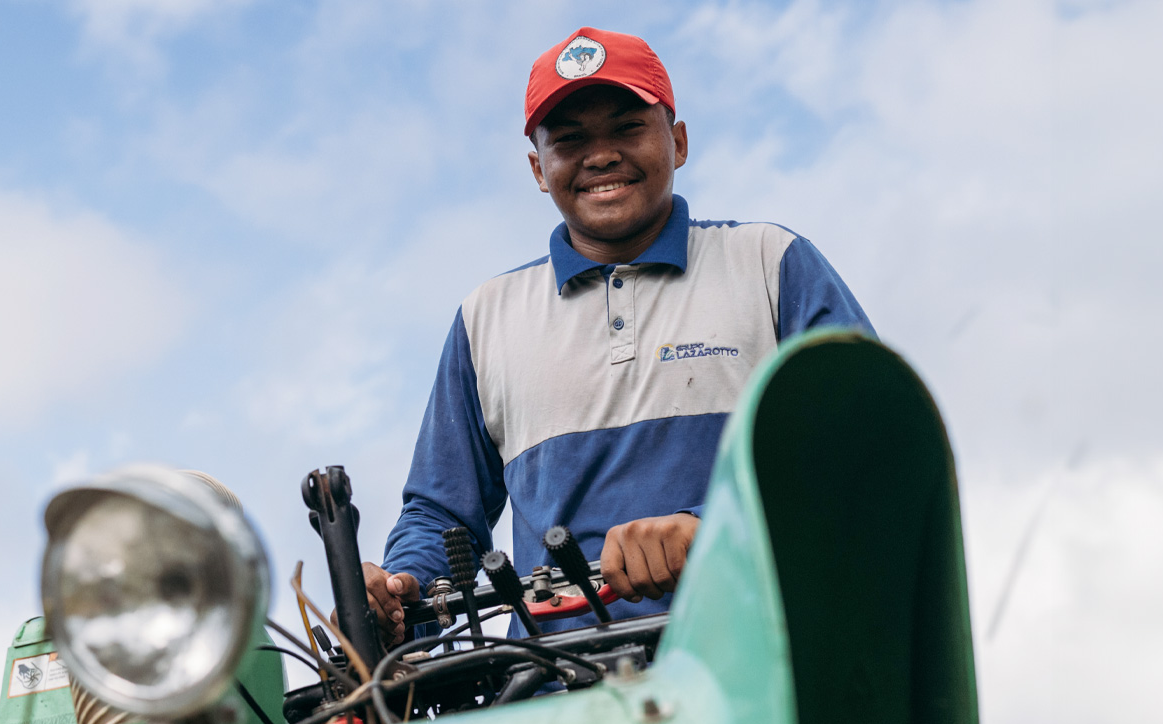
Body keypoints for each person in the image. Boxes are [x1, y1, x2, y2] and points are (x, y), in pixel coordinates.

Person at [364, 27, 873, 640]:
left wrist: (707, 527)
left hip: (763, 662)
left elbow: (861, 446)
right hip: (554, 695)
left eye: (628, 128)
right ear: (537, 168)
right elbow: (440, 516)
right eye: (570, 140)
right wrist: (397, 593)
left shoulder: (772, 263)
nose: (600, 156)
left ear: (678, 142)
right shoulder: (486, 317)